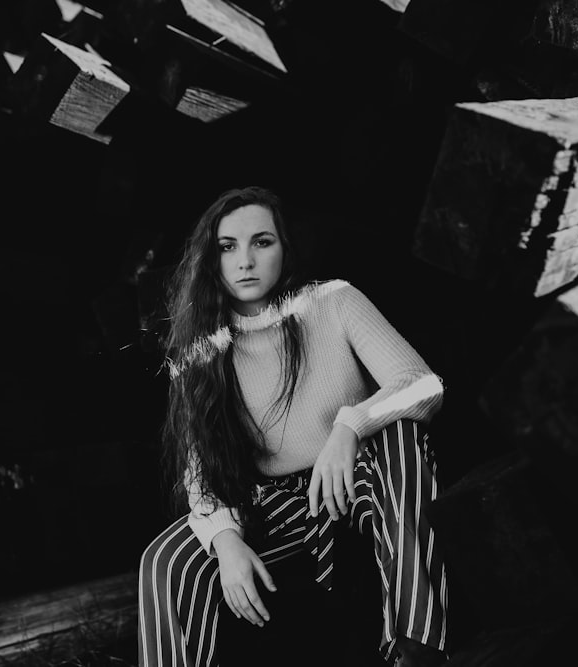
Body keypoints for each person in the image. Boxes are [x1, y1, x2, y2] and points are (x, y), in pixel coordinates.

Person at [139, 186, 448, 667]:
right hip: (276, 504)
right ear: (210, 259)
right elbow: (200, 476)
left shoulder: (334, 302)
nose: (245, 260)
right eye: (228, 246)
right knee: (166, 560)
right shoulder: (199, 356)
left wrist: (350, 426)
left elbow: (420, 384)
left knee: (402, 439)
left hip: (360, 479)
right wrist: (225, 543)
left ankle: (416, 647)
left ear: (285, 248)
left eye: (262, 242)